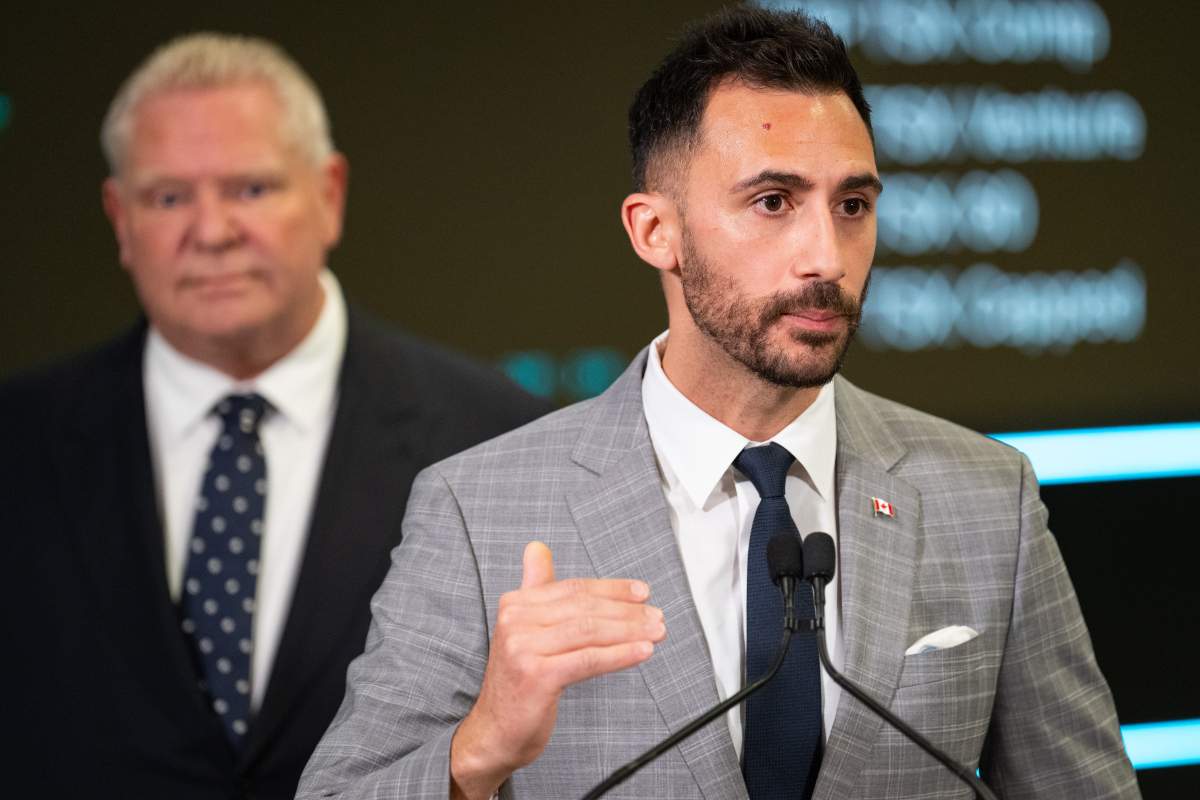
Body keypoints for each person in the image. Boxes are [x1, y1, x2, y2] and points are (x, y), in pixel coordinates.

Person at [297, 8, 1140, 800]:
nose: (826, 256)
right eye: (773, 202)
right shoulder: (479, 510)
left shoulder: (988, 500)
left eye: (852, 205)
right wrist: (478, 748)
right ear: (653, 232)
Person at [0, 33, 550, 800]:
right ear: (120, 219)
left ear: (329, 195)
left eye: (251, 189)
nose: (213, 231)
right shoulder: (17, 446)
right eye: (168, 198)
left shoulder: (499, 436)